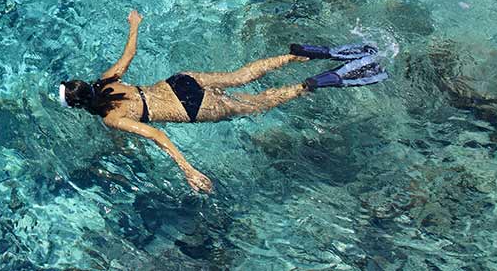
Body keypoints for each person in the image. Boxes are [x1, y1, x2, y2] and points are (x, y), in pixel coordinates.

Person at [57, 10, 387, 193]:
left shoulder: (111, 118)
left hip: (190, 109)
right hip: (180, 82)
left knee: (258, 104)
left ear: (77, 107)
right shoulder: (106, 81)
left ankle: (313, 83)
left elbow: (158, 135)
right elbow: (129, 55)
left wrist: (188, 170)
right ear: (85, 85)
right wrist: (134, 25)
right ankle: (296, 56)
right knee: (240, 76)